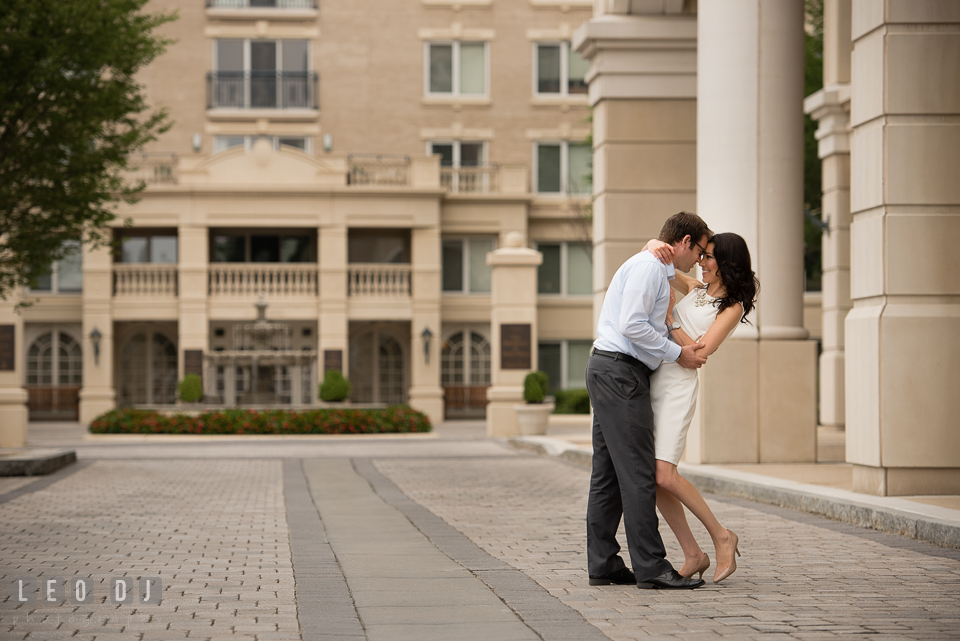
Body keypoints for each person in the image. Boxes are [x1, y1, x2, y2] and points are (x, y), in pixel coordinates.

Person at [585, 211, 711, 590]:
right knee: (639, 472)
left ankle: (604, 564)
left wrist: (679, 272)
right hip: (620, 373)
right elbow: (632, 325)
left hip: (611, 370)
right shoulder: (651, 267)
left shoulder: (657, 264)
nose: (701, 261)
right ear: (685, 241)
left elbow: (668, 284)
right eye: (700, 251)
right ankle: (652, 567)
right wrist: (678, 354)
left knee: (607, 474)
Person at [643, 232, 759, 584]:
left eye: (708, 257)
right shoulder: (694, 287)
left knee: (664, 474)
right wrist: (652, 245)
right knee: (654, 477)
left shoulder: (732, 307)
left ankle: (722, 536)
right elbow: (657, 262)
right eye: (702, 255)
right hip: (654, 380)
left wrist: (669, 319)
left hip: (677, 387)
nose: (701, 262)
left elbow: (699, 352)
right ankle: (693, 553)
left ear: (726, 263)